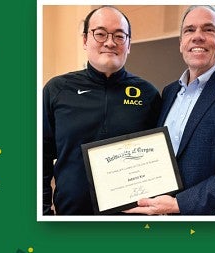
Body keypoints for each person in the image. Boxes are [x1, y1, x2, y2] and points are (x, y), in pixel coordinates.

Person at [125, 5, 215, 215]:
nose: (197, 37)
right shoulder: (168, 93)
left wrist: (179, 205)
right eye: (189, 30)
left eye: (208, 29)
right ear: (181, 43)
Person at [43, 6, 161, 215]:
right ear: (85, 40)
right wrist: (44, 214)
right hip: (71, 224)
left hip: (132, 226)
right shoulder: (57, 90)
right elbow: (39, 159)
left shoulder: (148, 94)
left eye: (119, 35)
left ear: (129, 44)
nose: (110, 42)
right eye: (100, 34)